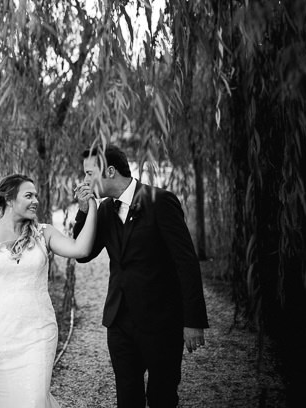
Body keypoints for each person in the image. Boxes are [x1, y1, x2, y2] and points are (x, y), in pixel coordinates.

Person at [72, 144, 208, 408]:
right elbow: (82, 253)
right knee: (127, 397)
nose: (85, 181)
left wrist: (193, 320)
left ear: (109, 171)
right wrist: (83, 211)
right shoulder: (104, 210)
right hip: (119, 322)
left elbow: (186, 262)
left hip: (161, 322)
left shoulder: (160, 202)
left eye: (89, 174)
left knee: (162, 397)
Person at [0, 173, 98, 408]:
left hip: (39, 332)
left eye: (36, 195)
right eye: (28, 195)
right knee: (9, 399)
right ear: (10, 199)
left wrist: (92, 206)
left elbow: (81, 249)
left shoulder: (44, 233)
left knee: (33, 400)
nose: (36, 200)